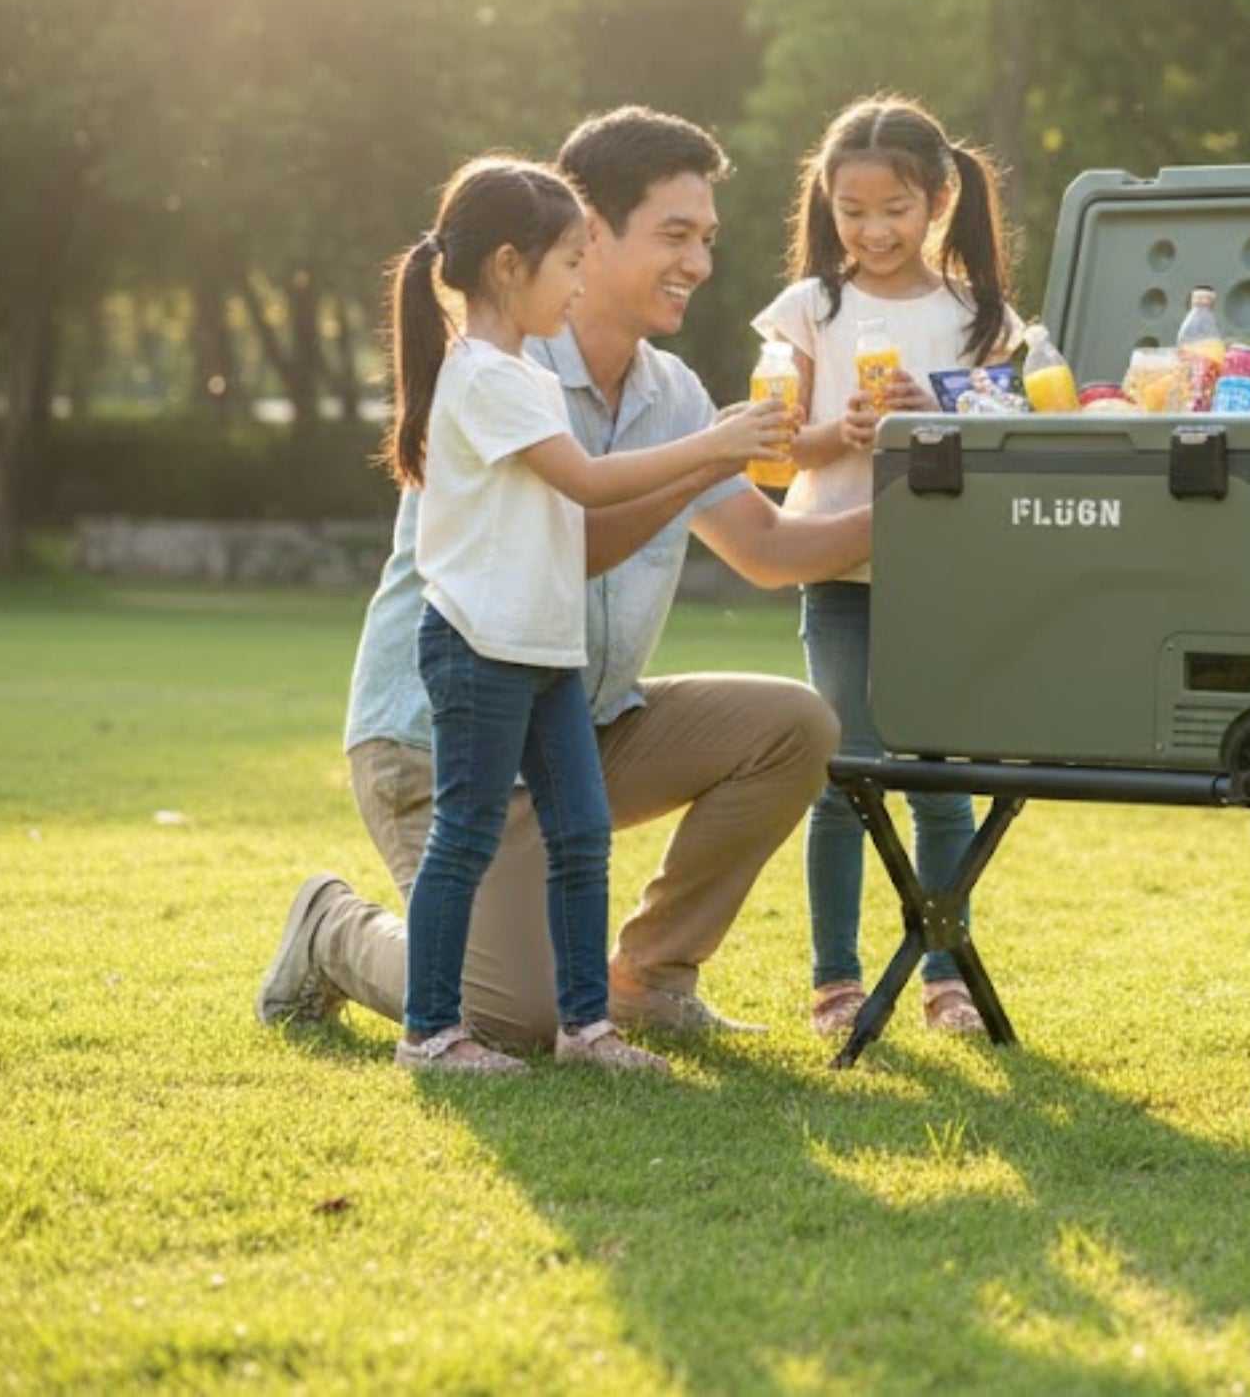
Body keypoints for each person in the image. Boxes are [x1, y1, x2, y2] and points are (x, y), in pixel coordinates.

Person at [258, 109, 871, 1060]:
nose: (699, 264)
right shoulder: (500, 371)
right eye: (675, 235)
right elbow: (567, 542)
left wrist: (918, 505)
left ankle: (649, 981)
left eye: (707, 239)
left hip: (578, 724)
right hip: (442, 740)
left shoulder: (671, 391)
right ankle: (332, 930)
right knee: (510, 1019)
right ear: (587, 228)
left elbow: (768, 550)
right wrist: (703, 458)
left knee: (793, 726)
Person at [380, 156, 791, 1075]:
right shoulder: (482, 376)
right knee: (467, 836)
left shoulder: (518, 373)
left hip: (541, 646)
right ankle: (431, 1036)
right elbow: (588, 483)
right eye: (569, 261)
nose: (579, 280)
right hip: (479, 647)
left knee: (582, 832)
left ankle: (585, 1028)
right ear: (506, 266)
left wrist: (720, 446)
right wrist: (715, 445)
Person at [753, 95, 1022, 1038]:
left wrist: (935, 418)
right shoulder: (810, 309)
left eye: (895, 210)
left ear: (939, 199)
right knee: (842, 774)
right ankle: (837, 979)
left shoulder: (977, 316)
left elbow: (1011, 441)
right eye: (851, 210)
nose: (872, 230)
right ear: (826, 203)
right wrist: (846, 428)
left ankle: (947, 976)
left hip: (945, 581)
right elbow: (774, 449)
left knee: (941, 784)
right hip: (838, 575)